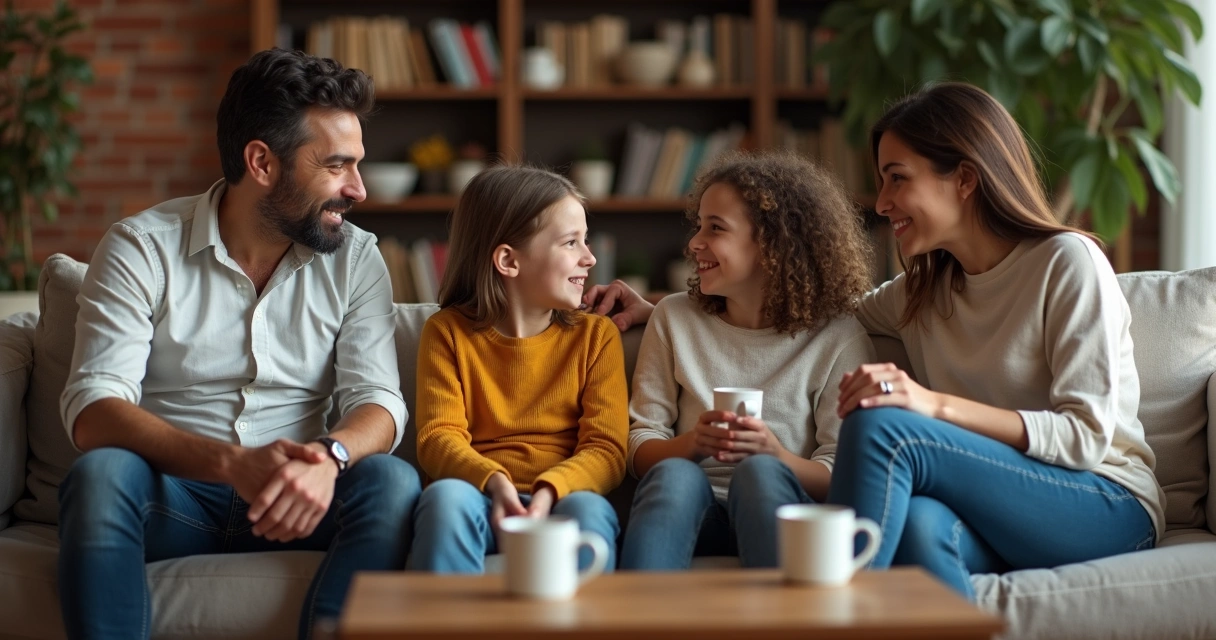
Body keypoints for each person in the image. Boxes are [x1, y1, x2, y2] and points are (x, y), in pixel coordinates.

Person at [584, 83, 1163, 600]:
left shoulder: (1066, 262)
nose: (882, 202)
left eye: (897, 178)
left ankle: (824, 615)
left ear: (964, 178)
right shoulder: (926, 288)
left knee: (882, 422)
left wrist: (928, 404)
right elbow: (798, 307)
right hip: (995, 509)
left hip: (1102, 502)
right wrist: (663, 309)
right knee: (917, 528)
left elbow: (1087, 437)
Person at [56, 49, 420, 640]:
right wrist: (232, 464)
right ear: (262, 163)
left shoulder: (356, 257)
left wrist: (330, 458)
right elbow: (94, 409)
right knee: (100, 477)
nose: (359, 187)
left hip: (300, 496)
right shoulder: (141, 247)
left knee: (393, 484)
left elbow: (378, 400)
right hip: (175, 496)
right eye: (336, 165)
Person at [618, 151, 875, 570]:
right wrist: (692, 445)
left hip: (782, 507)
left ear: (773, 244)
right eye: (698, 225)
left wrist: (775, 455)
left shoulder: (837, 338)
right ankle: (641, 621)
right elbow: (639, 446)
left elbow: (840, 473)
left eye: (715, 228)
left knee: (760, 474)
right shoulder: (673, 318)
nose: (694, 243)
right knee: (674, 477)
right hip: (693, 509)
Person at [408, 165, 628, 573]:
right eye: (570, 243)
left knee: (590, 512)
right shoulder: (447, 333)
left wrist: (548, 492)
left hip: (564, 497)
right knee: (445, 500)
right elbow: (438, 438)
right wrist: (495, 482)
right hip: (480, 494)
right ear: (508, 260)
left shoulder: (596, 337)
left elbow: (607, 450)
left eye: (586, 240)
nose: (590, 257)